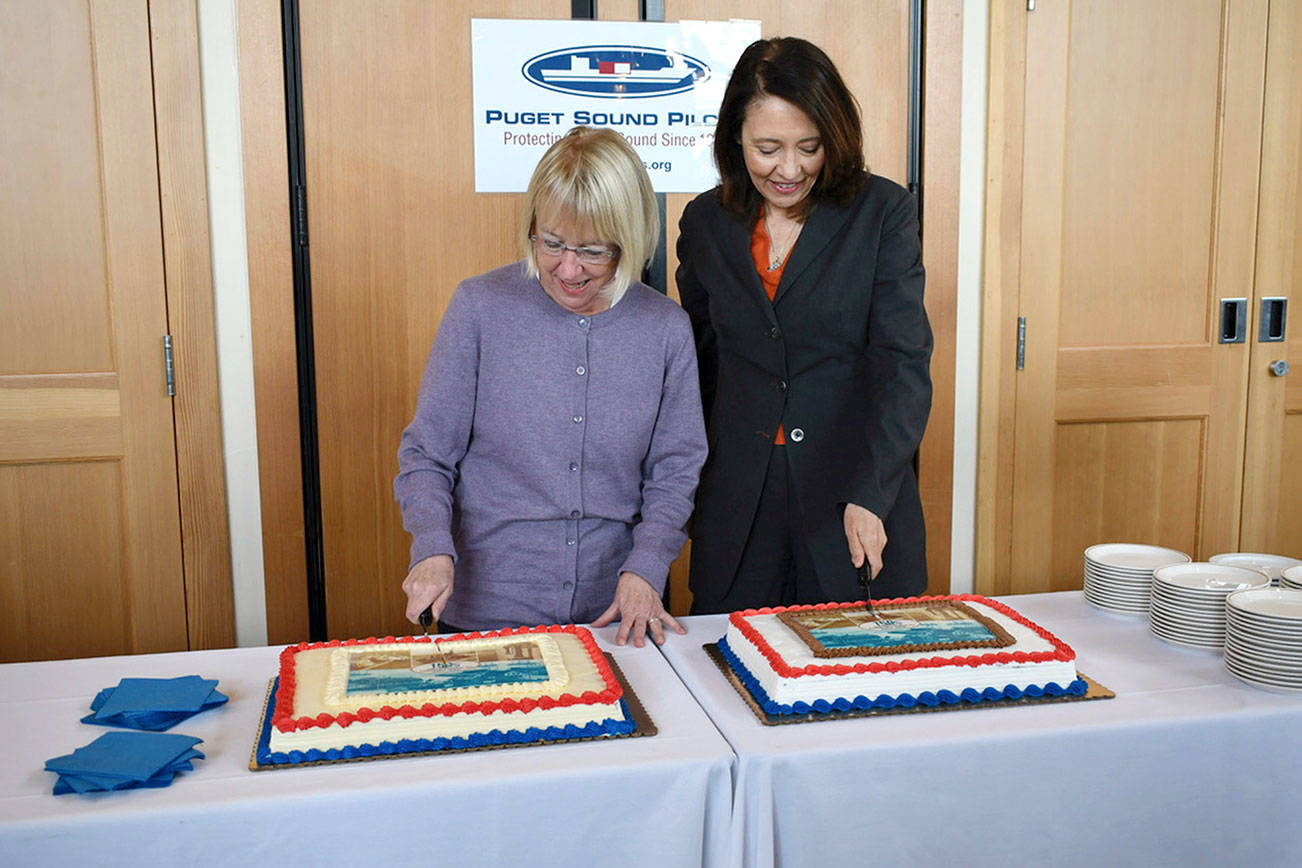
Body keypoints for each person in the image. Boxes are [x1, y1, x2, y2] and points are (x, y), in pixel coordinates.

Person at [395, 126, 706, 646]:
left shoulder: (665, 328)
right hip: (484, 615)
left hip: (615, 616)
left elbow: (676, 470)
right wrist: (430, 548)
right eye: (552, 243)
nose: (567, 268)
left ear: (627, 239)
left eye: (591, 251)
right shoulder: (479, 308)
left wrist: (647, 566)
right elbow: (428, 454)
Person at [676, 37, 932, 614]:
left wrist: (872, 494)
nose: (789, 169)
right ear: (734, 138)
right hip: (739, 505)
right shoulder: (706, 222)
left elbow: (902, 367)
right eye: (767, 148)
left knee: (856, 682)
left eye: (808, 147)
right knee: (729, 675)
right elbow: (699, 367)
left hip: (851, 497)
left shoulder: (882, 214)